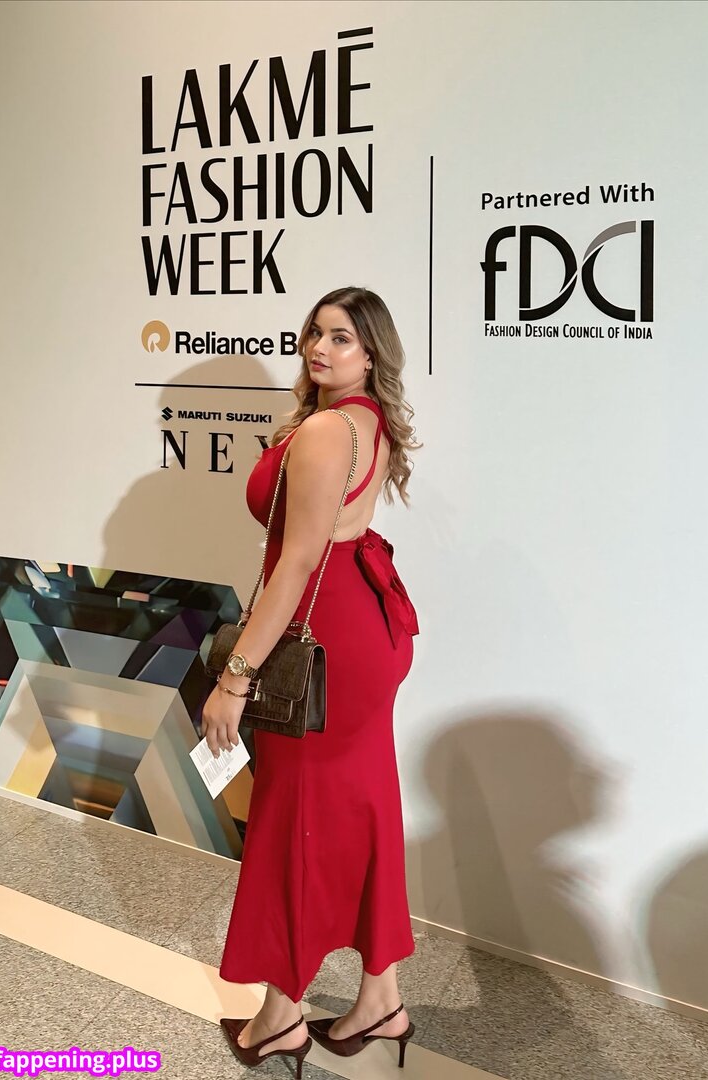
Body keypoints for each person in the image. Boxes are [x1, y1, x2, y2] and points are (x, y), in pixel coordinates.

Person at [201, 286, 422, 1075]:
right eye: (314, 333)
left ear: (371, 352)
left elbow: (297, 563)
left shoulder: (329, 430)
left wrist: (235, 677)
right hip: (364, 629)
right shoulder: (368, 420)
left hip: (325, 644)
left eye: (342, 338)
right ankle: (381, 999)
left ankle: (280, 1015)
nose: (319, 349)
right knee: (363, 809)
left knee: (292, 819)